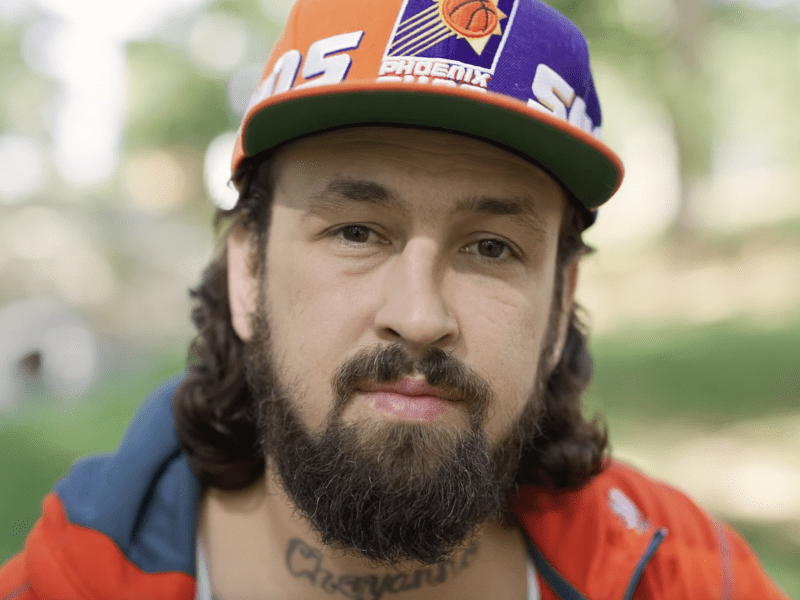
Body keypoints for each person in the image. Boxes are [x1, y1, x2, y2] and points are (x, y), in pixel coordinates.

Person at [0, 0, 790, 598]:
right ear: (246, 273)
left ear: (559, 305)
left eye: (491, 247)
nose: (418, 315)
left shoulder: (688, 575)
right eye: (355, 231)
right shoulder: (69, 578)